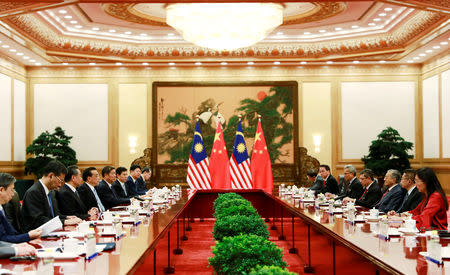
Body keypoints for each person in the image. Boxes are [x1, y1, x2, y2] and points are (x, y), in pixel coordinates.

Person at [21, 160, 82, 232]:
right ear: (51, 176)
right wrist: (65, 222)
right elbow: (38, 220)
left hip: (51, 231)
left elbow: (54, 216)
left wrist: (67, 217)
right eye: (60, 181)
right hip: (36, 235)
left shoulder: (52, 192)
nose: (60, 185)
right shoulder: (33, 192)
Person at [0, 173, 41, 243]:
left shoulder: (1, 207)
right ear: (1, 190)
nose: (13, 194)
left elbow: (12, 233)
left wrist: (28, 238)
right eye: (12, 190)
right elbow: (2, 239)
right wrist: (28, 236)